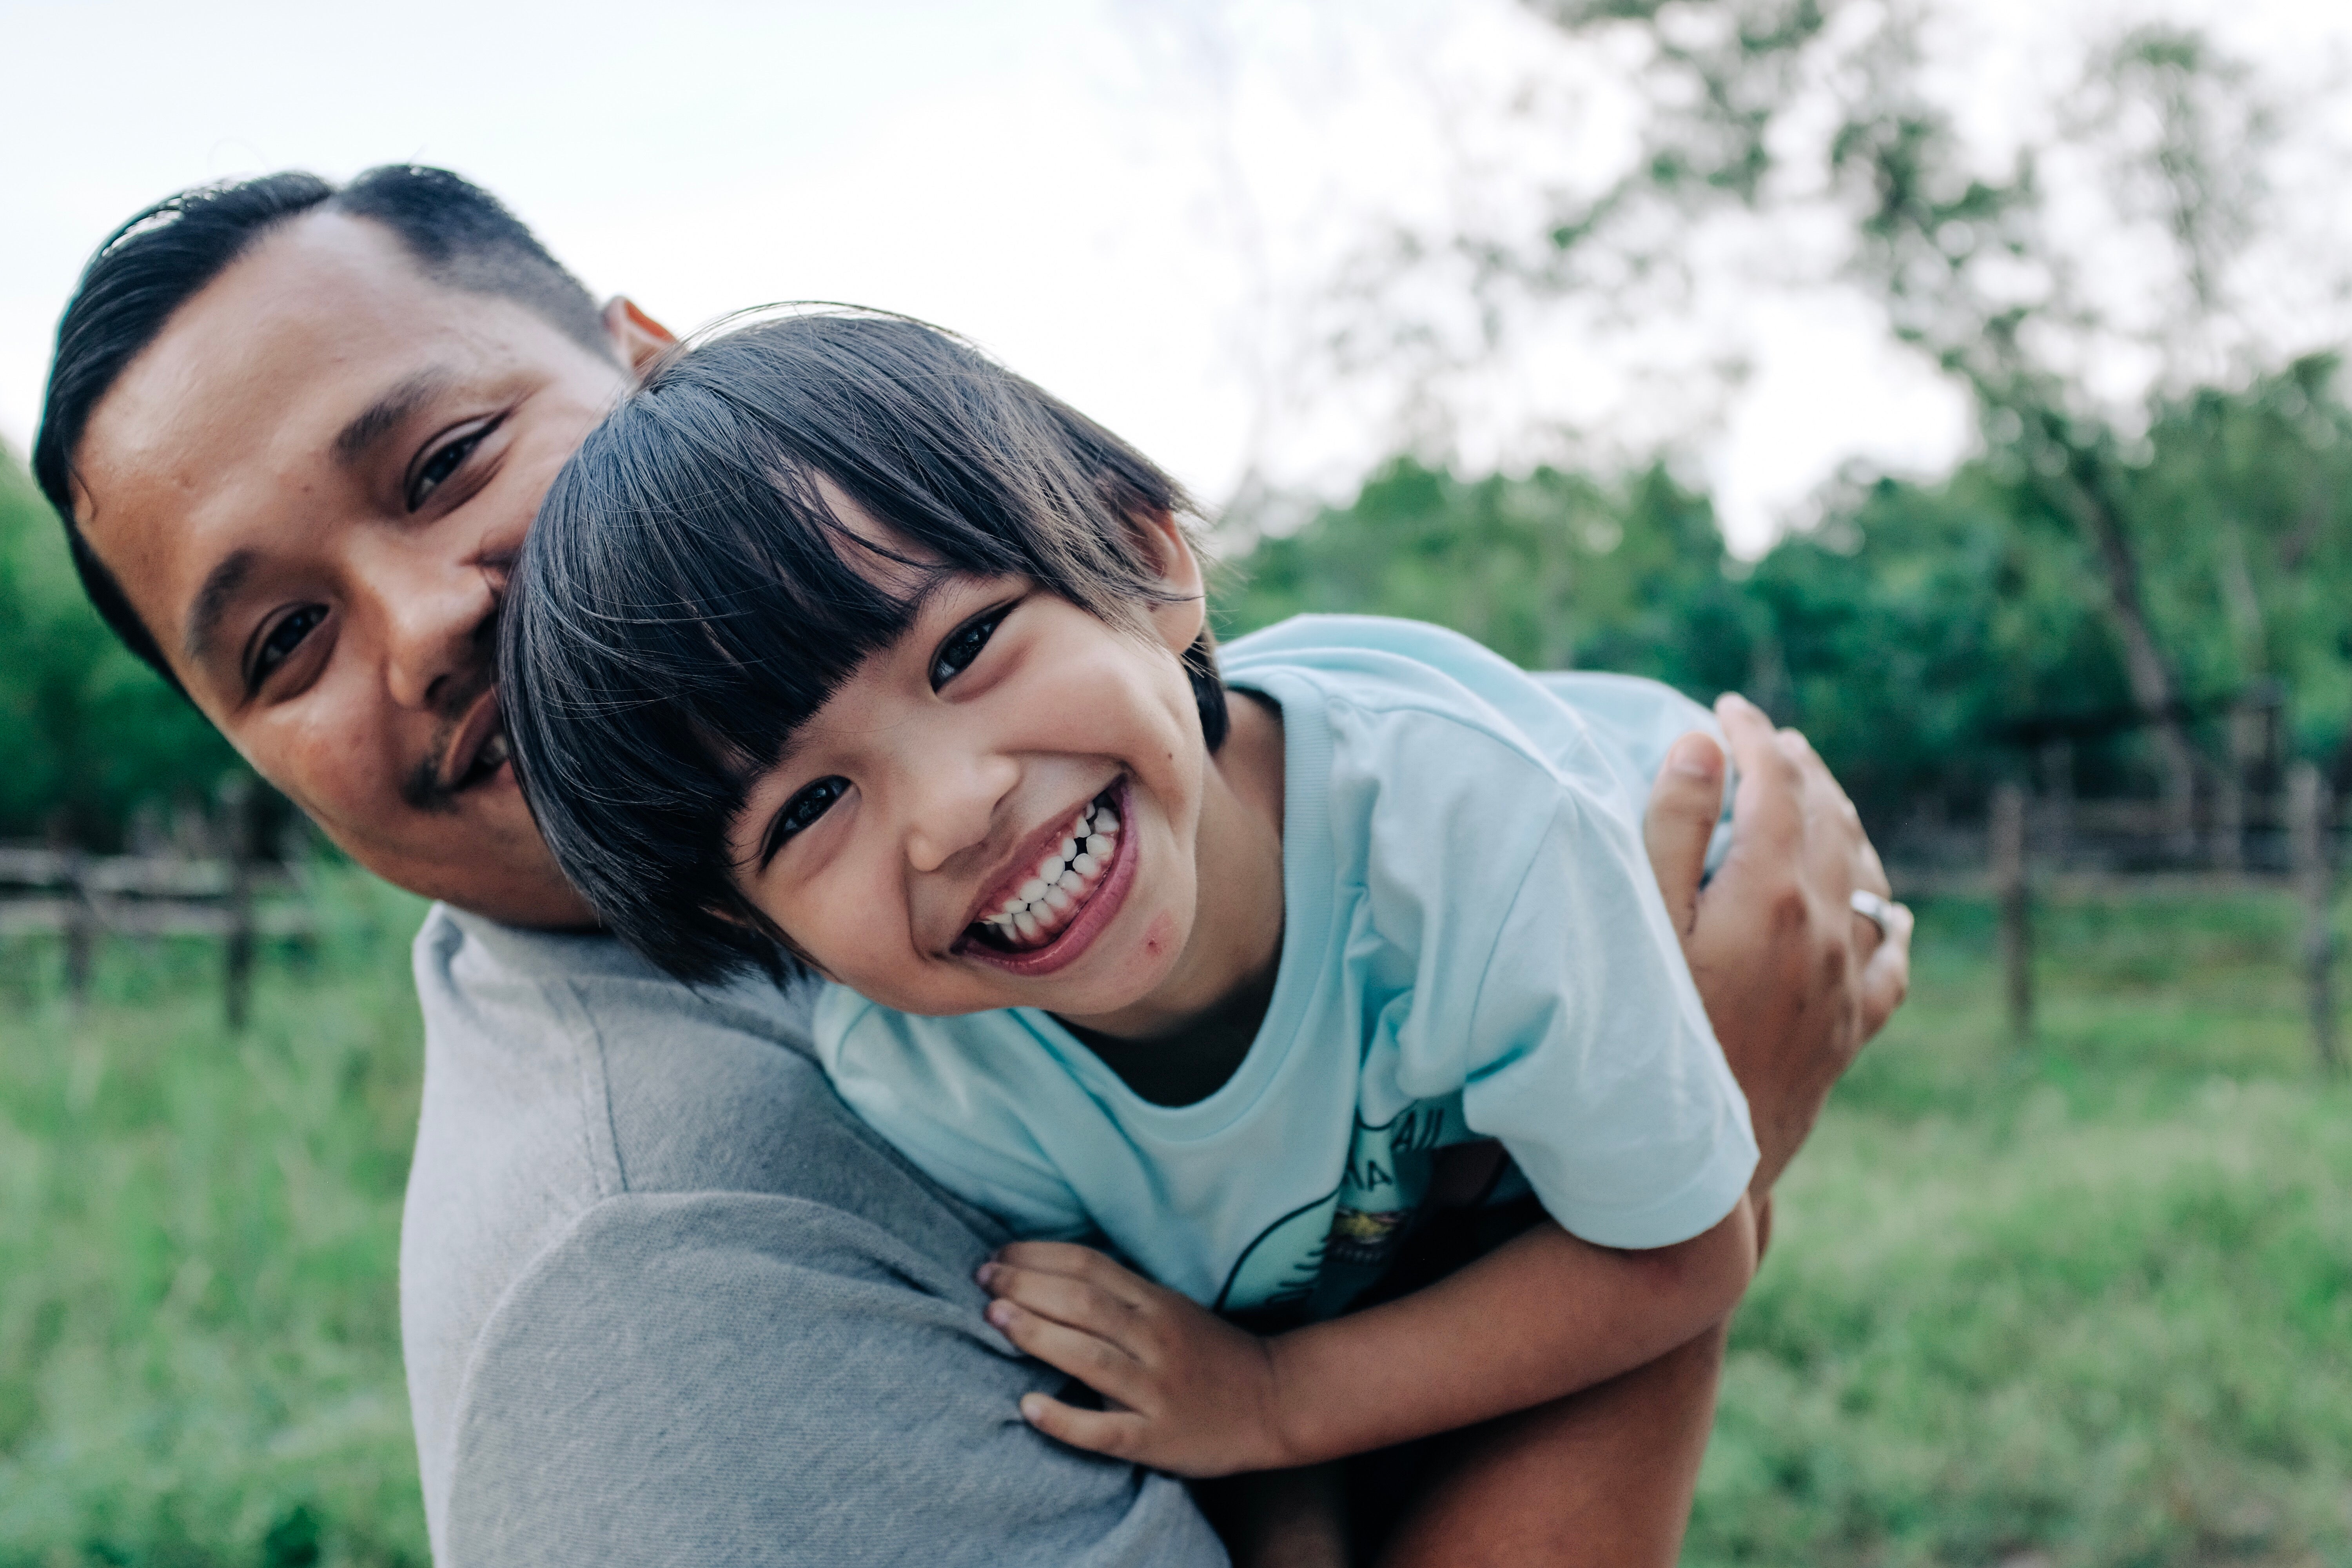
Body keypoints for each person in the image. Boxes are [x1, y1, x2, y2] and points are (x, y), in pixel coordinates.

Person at [32, 164, 1911, 1567]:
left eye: (447, 458)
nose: (434, 618)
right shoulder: (686, 1234)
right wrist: (1710, 1100)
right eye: (281, 645)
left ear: (659, 368)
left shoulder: (1190, 847)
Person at [499, 309, 1768, 1560]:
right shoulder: (934, 1091)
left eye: (966, 648)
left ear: (1142, 552)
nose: (953, 812)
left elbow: (1683, 1250)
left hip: (1716, 836)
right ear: (755, 922)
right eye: (813, 805)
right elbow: (1216, 1346)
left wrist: (1277, 1402)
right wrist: (1253, 1417)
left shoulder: (1474, 834)